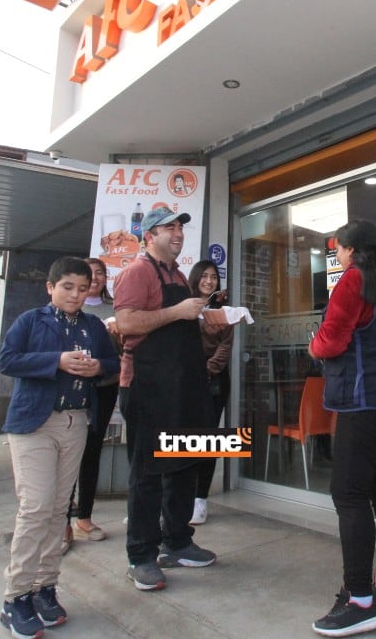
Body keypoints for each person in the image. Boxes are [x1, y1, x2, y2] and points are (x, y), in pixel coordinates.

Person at [308, 219, 376, 637]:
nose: (337, 255)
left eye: (338, 249)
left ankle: (359, 600)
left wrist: (313, 345)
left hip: (364, 404)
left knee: (350, 495)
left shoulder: (353, 281)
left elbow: (332, 340)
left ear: (351, 249)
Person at [0, 257, 119, 639]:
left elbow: (113, 363)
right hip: (33, 424)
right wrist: (58, 361)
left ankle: (45, 588)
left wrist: (96, 367)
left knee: (56, 511)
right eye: (67, 287)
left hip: (75, 422)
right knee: (35, 508)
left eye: (83, 288)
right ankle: (16, 596)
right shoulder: (31, 321)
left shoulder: (94, 326)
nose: (76, 294)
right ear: (50, 288)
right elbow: (7, 360)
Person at [113, 207, 218, 592]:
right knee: (148, 473)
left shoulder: (176, 274)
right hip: (148, 386)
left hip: (182, 386)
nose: (177, 233)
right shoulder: (137, 271)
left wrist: (206, 320)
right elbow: (126, 323)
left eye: (180, 228)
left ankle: (177, 541)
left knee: (184, 464)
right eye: (168, 228)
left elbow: (178, 324)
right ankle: (141, 555)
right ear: (148, 236)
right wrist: (177, 311)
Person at [63, 258, 120, 549]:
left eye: (100, 273)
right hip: (72, 389)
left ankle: (84, 518)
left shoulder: (115, 308)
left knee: (92, 450)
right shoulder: (70, 308)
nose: (95, 278)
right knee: (67, 453)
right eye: (90, 274)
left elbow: (121, 354)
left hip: (104, 388)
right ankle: (62, 523)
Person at [187, 259, 234, 525]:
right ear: (195, 279)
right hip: (186, 380)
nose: (209, 281)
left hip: (214, 380)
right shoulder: (184, 307)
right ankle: (179, 495)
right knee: (183, 438)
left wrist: (206, 369)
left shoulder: (223, 311)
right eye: (204, 276)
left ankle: (200, 499)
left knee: (208, 439)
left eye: (213, 277)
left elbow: (225, 347)